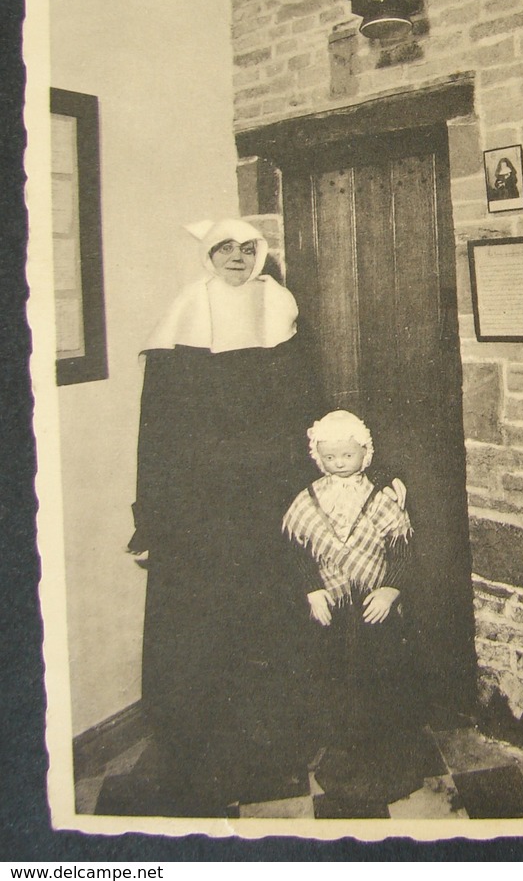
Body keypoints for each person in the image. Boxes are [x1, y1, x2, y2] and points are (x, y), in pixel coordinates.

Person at [127, 218, 322, 815]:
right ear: (209, 256)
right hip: (199, 508)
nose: (236, 257)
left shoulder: (281, 311)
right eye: (224, 249)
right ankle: (199, 756)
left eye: (246, 248)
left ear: (259, 254)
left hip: (267, 500)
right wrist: (149, 517)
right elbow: (155, 434)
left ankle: (274, 750)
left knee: (269, 616)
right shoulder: (185, 315)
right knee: (202, 625)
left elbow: (307, 410)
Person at [283, 410, 431, 806]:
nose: (338, 465)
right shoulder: (309, 499)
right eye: (329, 458)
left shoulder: (380, 499)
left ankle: (390, 762)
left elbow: (402, 549)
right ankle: (347, 756)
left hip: (373, 611)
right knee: (340, 683)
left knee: (383, 681)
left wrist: (390, 591)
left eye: (346, 457)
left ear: (364, 454)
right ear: (318, 457)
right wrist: (313, 591)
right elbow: (299, 551)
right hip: (335, 610)